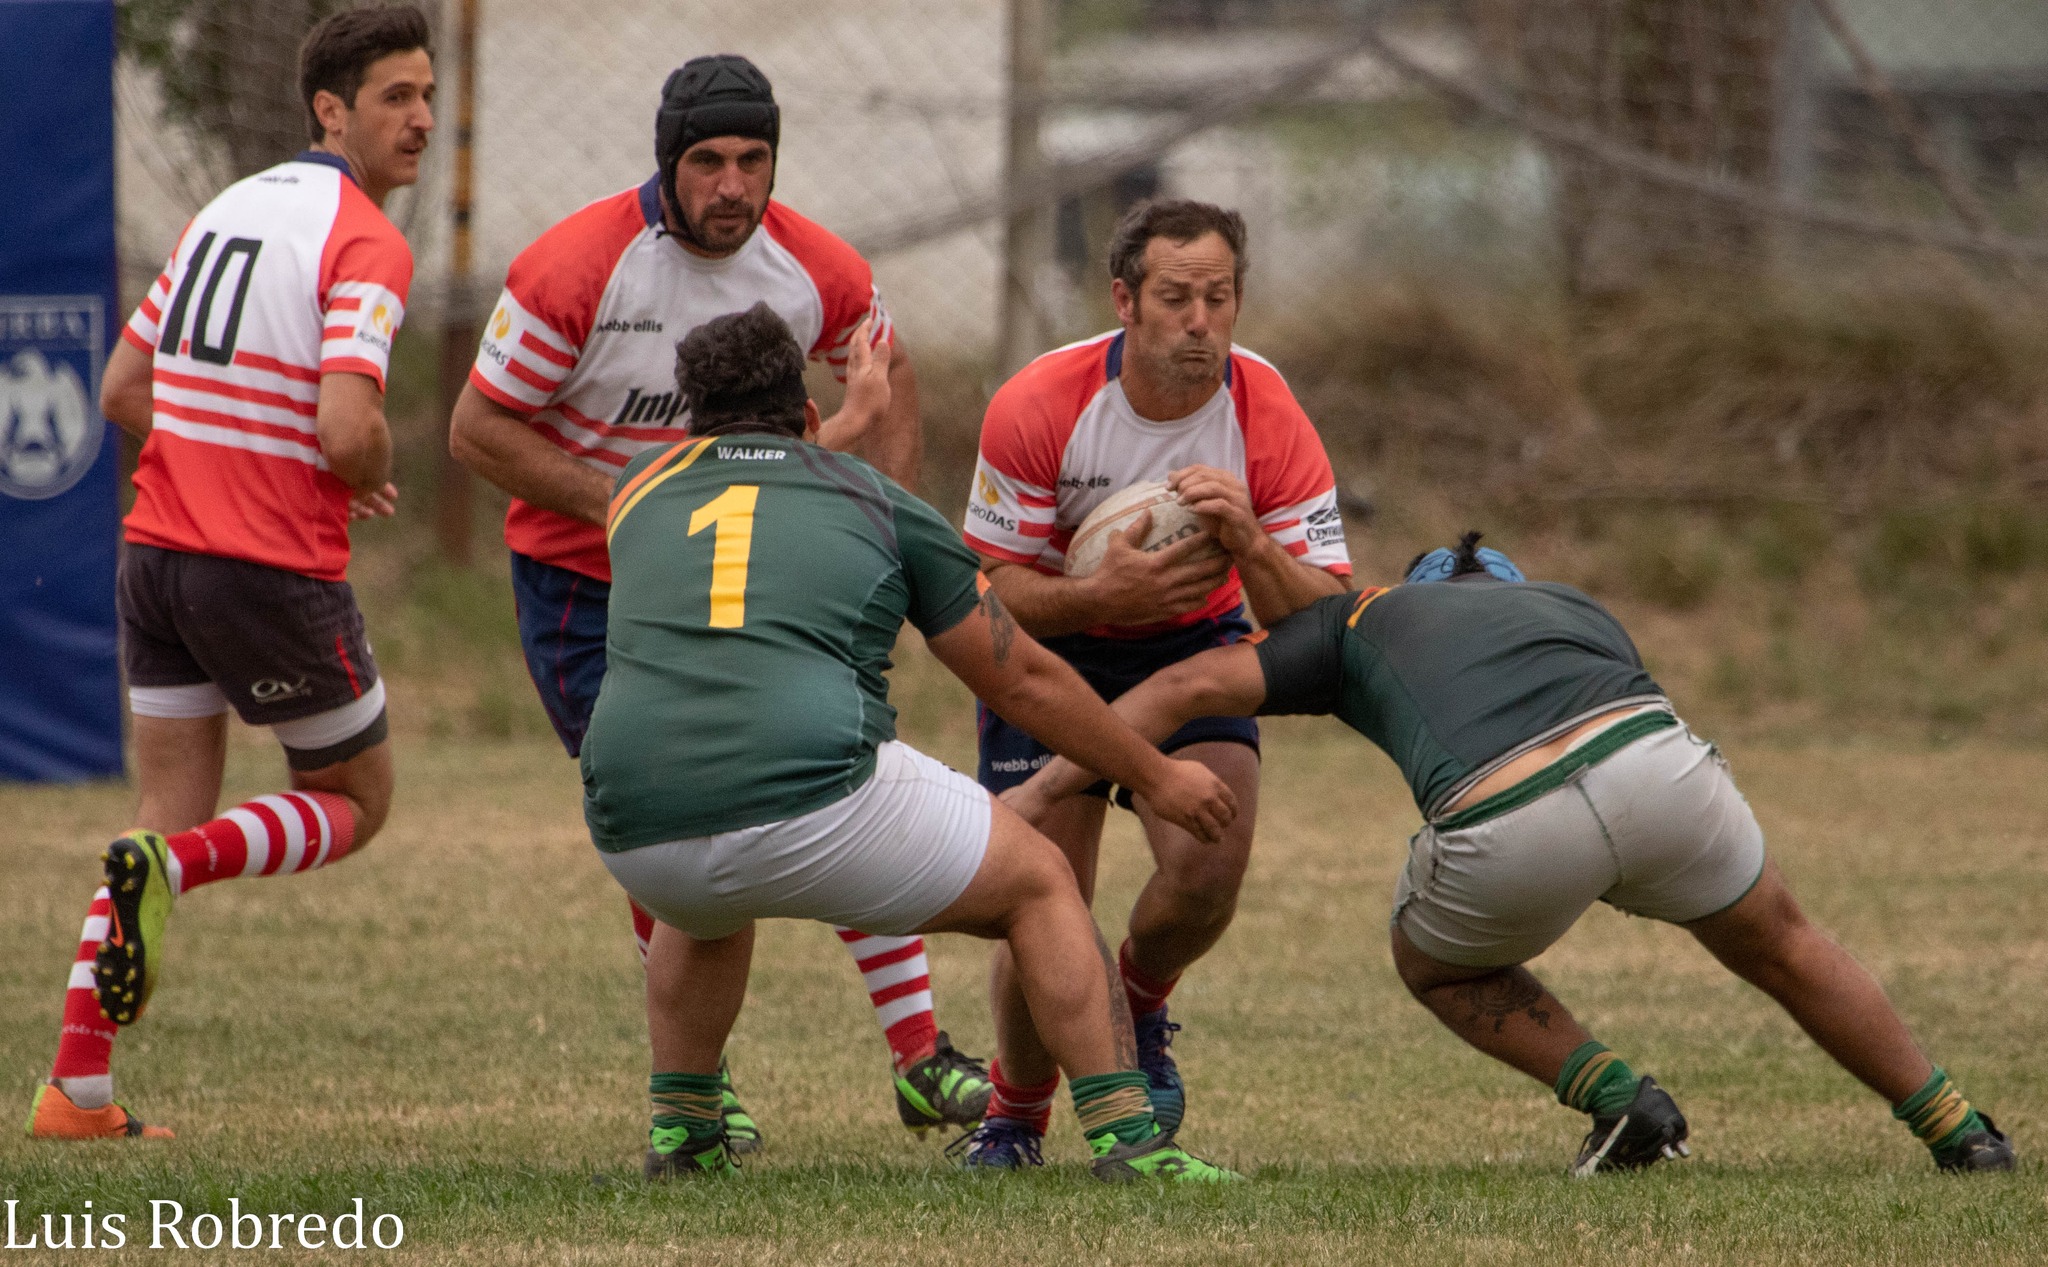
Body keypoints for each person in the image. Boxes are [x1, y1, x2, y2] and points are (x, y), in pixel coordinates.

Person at [1005, 533, 2018, 1175]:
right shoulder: (1570, 602)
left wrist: (1052, 782)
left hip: (1507, 813)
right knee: (1784, 941)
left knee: (1430, 957)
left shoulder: (1371, 612)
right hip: (1655, 768)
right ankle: (1960, 1129)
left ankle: (1617, 1099)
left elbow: (1183, 689)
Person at [447, 55, 983, 1152]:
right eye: (707, 162)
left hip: (775, 572)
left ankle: (921, 1056)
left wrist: (871, 540)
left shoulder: (813, 264)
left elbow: (890, 378)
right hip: (587, 585)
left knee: (824, 770)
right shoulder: (577, 269)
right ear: (667, 162)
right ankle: (698, 1086)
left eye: (752, 161)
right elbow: (476, 432)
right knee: (678, 799)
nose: (732, 185)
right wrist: (645, 508)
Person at [588, 302, 1237, 1182]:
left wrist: (851, 419)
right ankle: (1130, 1140)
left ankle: (685, 1130)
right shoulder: (878, 503)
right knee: (1041, 880)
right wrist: (1153, 772)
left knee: (703, 899)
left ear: (690, 417)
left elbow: (759, 474)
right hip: (811, 794)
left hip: (636, 820)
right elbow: (1019, 678)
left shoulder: (634, 488)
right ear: (809, 415)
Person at [25, 4, 435, 1140]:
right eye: (396, 97)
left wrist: (227, 452)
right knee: (354, 798)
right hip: (262, 565)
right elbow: (350, 432)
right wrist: (363, 464)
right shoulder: (366, 238)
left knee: (161, 804)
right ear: (331, 108)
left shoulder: (224, 212)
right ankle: (174, 863)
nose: (421, 119)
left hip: (154, 556)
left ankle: (77, 1091)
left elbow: (121, 389)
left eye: (428, 96)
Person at [956, 199, 1351, 1164]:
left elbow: (1327, 613)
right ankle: (1013, 1117)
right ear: (1125, 300)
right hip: (1054, 657)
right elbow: (983, 596)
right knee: (1042, 887)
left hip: (1196, 645)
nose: (1199, 321)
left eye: (1218, 297)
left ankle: (1134, 1000)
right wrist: (1098, 594)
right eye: (1175, 297)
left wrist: (1252, 539)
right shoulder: (1040, 403)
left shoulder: (1265, 408)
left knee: (1210, 868)